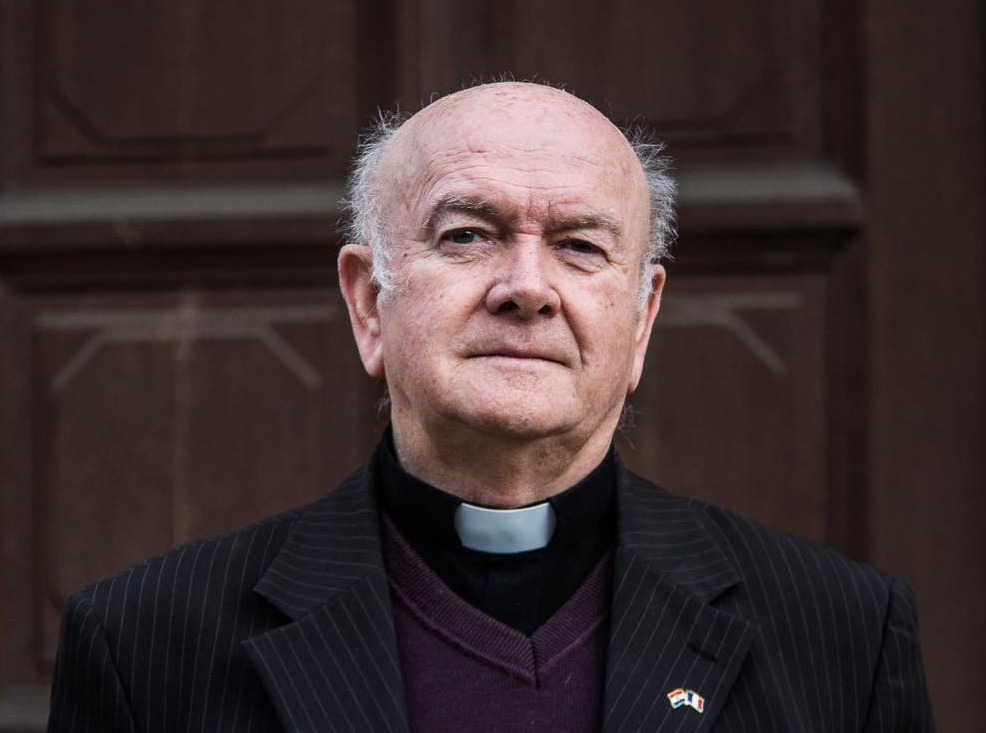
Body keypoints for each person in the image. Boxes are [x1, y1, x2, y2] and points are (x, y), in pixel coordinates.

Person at [48, 82, 934, 732]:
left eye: (579, 246)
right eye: (468, 235)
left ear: (641, 319)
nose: (527, 287)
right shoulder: (146, 644)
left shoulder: (842, 637)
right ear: (368, 303)